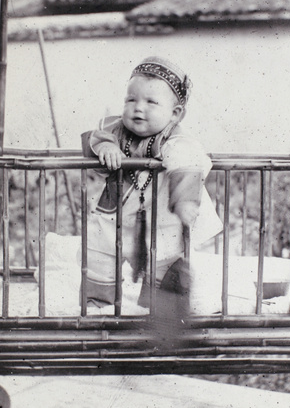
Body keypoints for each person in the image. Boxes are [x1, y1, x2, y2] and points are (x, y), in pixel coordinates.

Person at [81, 57, 222, 311]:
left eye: (151, 102)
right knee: (99, 256)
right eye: (130, 99)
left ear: (175, 114)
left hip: (161, 216)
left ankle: (158, 308)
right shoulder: (116, 130)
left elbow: (187, 163)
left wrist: (185, 201)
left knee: (164, 259)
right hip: (115, 213)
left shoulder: (176, 140)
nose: (138, 108)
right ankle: (97, 305)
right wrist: (105, 147)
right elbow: (95, 138)